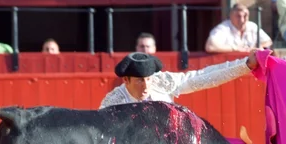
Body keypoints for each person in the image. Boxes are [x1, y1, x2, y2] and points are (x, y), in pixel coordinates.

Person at [99, 50, 259, 109]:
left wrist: (245, 65)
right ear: (126, 80)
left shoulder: (161, 82)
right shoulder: (113, 103)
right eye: (140, 81)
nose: (146, 85)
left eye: (149, 79)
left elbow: (203, 77)